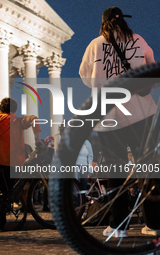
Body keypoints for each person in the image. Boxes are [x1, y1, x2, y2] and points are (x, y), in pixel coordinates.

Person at [79, 6, 159, 237]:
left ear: (103, 24)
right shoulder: (139, 40)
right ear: (123, 21)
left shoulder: (94, 45)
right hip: (142, 115)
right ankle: (154, 224)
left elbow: (85, 77)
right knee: (148, 170)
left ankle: (118, 226)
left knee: (115, 173)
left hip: (109, 118)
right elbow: (152, 68)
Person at [0, 97, 43, 232]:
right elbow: (34, 118)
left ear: (0, 108)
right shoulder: (18, 120)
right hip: (14, 161)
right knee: (7, 193)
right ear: (14, 109)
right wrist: (37, 139)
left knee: (0, 192)